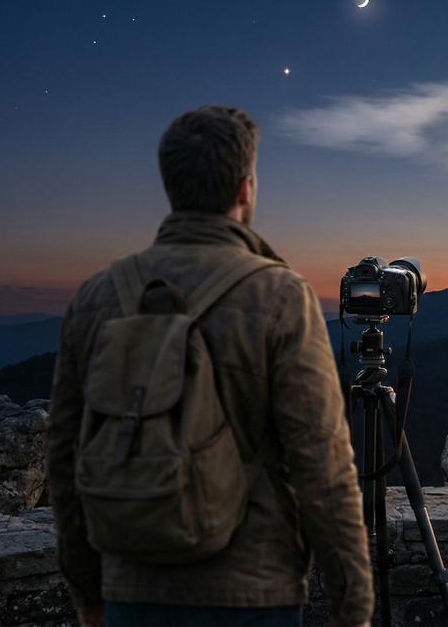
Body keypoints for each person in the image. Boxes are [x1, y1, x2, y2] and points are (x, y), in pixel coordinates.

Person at [47, 105, 373, 627]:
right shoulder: (281, 295)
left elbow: (65, 458)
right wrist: (352, 606)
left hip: (131, 587)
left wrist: (89, 590)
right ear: (245, 189)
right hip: (253, 593)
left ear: (170, 186)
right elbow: (322, 465)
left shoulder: (96, 299)